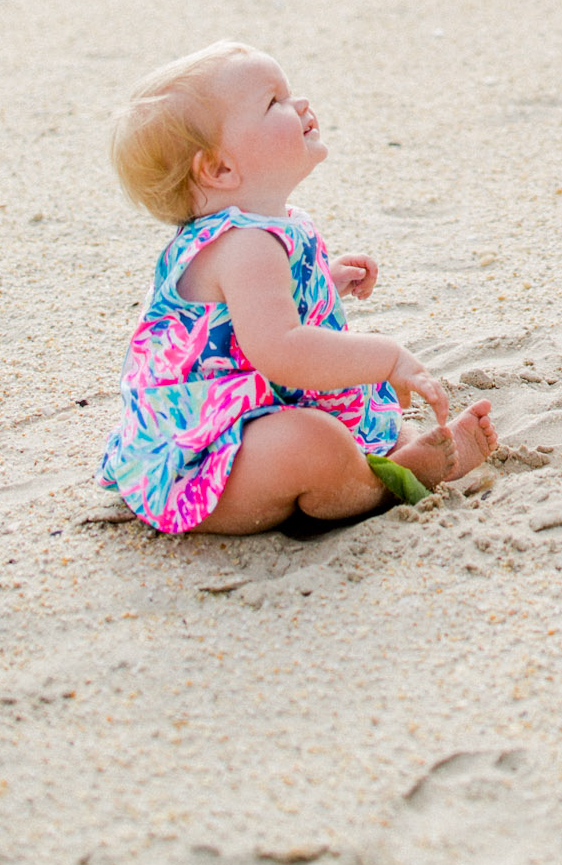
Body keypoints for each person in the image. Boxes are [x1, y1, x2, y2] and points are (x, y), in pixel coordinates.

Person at [102, 40, 496, 533]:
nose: (300, 104)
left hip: (259, 405)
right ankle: (382, 483)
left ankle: (401, 453)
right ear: (220, 168)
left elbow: (254, 310)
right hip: (204, 458)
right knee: (309, 442)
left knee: (368, 413)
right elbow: (282, 349)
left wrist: (324, 280)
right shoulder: (243, 245)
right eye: (274, 103)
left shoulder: (269, 227)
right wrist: (388, 356)